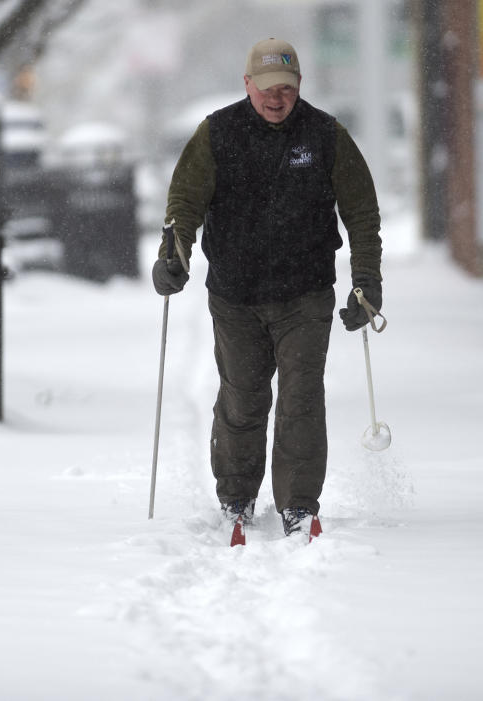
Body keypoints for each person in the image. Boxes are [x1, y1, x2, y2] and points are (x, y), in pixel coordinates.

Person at [153, 38, 383, 538]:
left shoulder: (325, 134)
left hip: (305, 292)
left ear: (299, 87)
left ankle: (299, 503)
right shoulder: (218, 133)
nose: (276, 98)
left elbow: (362, 213)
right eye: (266, 89)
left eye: (286, 88)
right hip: (235, 294)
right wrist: (173, 254)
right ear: (247, 85)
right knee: (243, 398)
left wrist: (366, 280)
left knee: (301, 399)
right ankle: (236, 495)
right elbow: (185, 202)